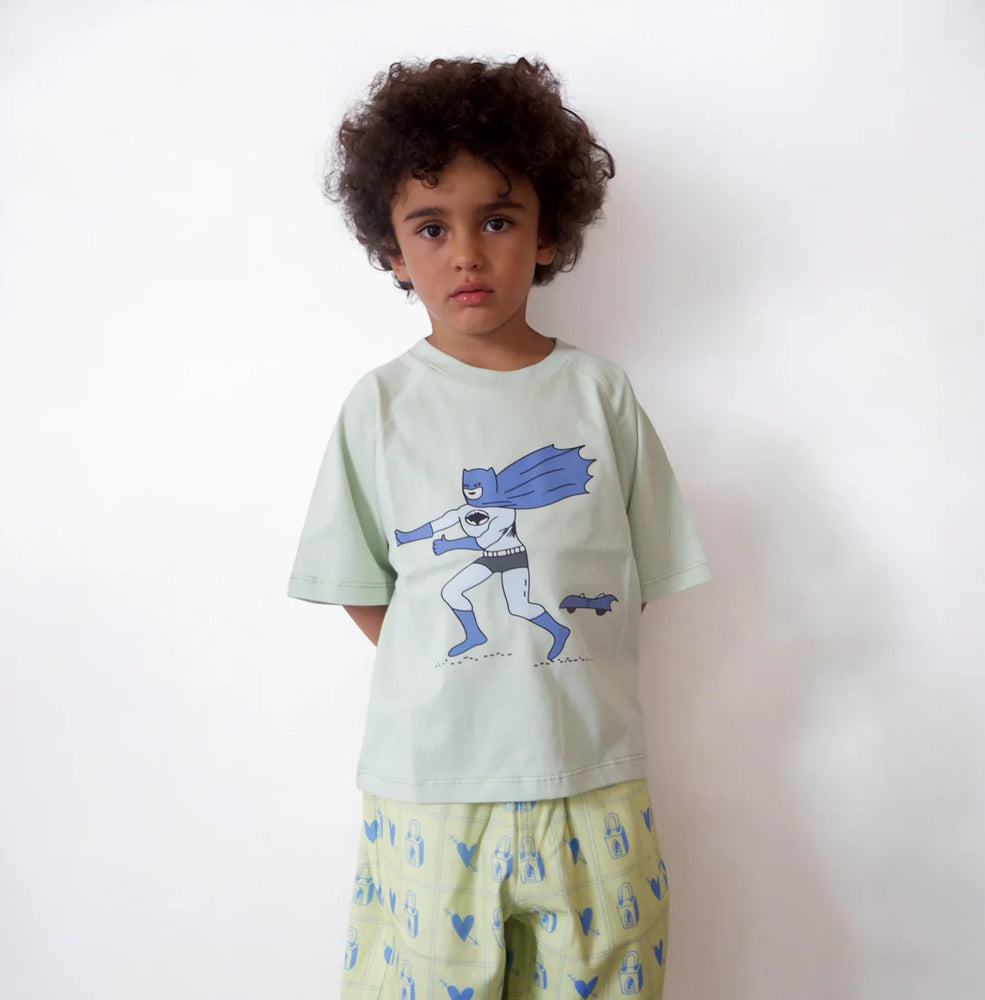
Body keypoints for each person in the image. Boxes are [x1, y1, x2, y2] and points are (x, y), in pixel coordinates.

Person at [288, 57, 711, 1000]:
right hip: (432, 788)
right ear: (392, 249)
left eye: (498, 219)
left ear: (548, 231)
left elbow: (637, 576)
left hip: (590, 782)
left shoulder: (600, 395)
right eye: (431, 227)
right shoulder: (381, 407)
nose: (467, 255)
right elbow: (359, 580)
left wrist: (550, 660)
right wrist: (456, 656)